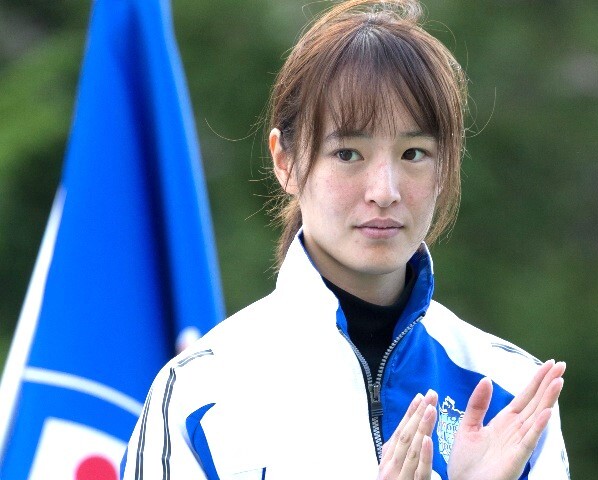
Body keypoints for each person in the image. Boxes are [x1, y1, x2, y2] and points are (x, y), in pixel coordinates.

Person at [121, 1, 569, 479]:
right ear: (285, 161)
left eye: (414, 153)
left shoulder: (512, 392)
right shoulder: (200, 392)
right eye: (348, 153)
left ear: (446, 167)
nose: (385, 191)